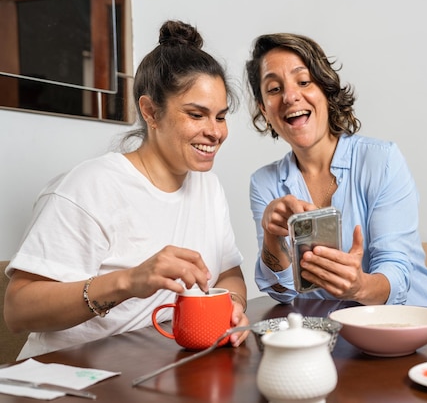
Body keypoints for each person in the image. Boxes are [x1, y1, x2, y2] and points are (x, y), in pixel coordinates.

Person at [3, 20, 249, 359]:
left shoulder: (208, 185)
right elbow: (17, 311)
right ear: (150, 111)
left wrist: (231, 307)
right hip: (67, 378)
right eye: (197, 115)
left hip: (149, 370)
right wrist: (128, 282)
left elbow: (228, 272)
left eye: (220, 117)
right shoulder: (90, 186)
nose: (215, 132)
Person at [245, 33, 427, 306]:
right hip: (333, 337)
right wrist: (271, 236)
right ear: (264, 110)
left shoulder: (381, 161)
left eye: (303, 82)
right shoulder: (265, 183)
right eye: (274, 89)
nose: (290, 96)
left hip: (408, 329)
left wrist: (359, 287)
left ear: (325, 90)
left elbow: (397, 271)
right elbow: (283, 292)